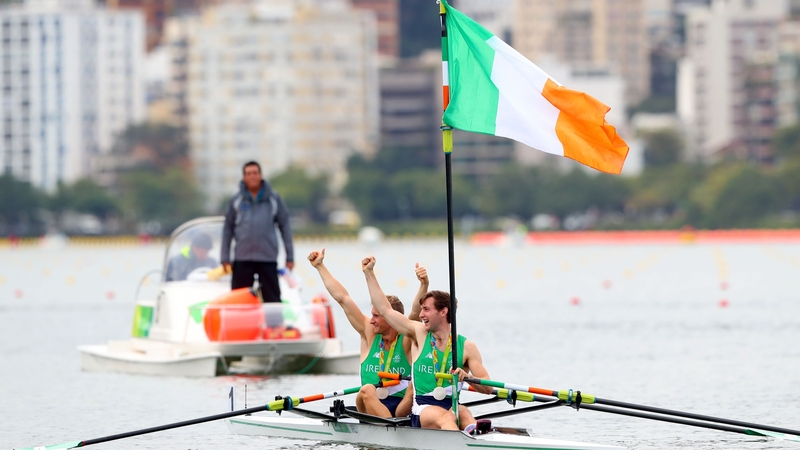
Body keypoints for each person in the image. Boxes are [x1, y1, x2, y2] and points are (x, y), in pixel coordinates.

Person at [362, 256, 493, 430]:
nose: (421, 315)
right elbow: (385, 310)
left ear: (443, 312)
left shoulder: (467, 347)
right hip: (422, 409)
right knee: (447, 418)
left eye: (426, 309)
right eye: (421, 309)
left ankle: (479, 437)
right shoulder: (419, 335)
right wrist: (369, 273)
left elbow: (488, 388)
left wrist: (468, 378)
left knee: (465, 414)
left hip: (450, 405)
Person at [308, 248, 428, 418]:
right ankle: (387, 429)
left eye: (376, 316)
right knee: (366, 390)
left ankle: (390, 429)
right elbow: (343, 298)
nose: (371, 320)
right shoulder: (368, 333)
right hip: (370, 402)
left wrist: (424, 285)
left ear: (392, 318)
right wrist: (320, 266)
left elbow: (415, 313)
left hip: (402, 407)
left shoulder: (407, 339)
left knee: (414, 385)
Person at [221, 161, 294, 303]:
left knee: (272, 297)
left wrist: (289, 257)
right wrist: (225, 257)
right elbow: (227, 229)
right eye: (248, 173)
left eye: (255, 173)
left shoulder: (274, 199)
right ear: (244, 178)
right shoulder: (236, 200)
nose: (252, 176)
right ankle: (239, 325)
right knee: (239, 298)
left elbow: (285, 226)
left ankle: (275, 325)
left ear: (261, 175)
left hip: (267, 257)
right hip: (243, 257)